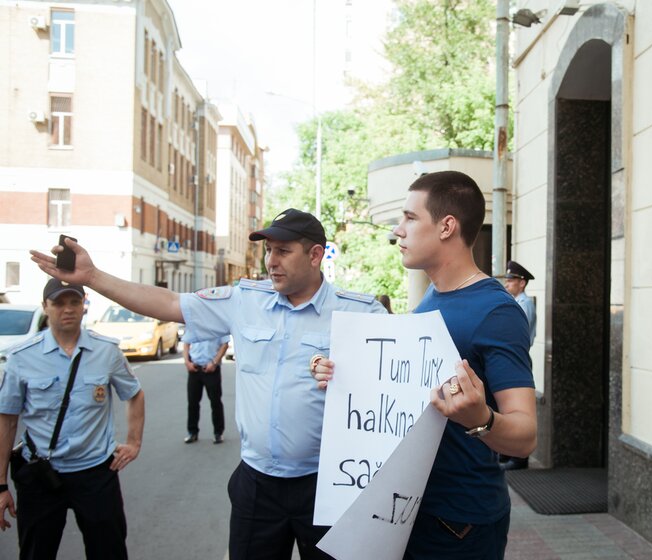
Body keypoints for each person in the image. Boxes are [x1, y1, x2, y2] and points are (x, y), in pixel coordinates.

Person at [30, 209, 388, 560]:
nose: (271, 262)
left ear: (315, 255)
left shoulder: (360, 313)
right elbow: (169, 302)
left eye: (282, 251)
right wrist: (91, 277)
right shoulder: (244, 300)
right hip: (257, 485)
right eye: (268, 250)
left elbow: (398, 381)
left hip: (328, 485)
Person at [314, 171, 536, 559]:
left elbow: (525, 435)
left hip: (459, 523)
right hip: (408, 512)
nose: (397, 231)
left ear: (447, 226)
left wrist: (480, 418)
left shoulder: (497, 311)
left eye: (410, 218)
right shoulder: (430, 299)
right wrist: (344, 376)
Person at [0, 278, 145, 559]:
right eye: (59, 302)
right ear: (46, 307)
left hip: (96, 473)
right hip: (41, 474)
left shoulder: (107, 351)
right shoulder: (22, 357)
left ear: (84, 305)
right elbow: (6, 421)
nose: (68, 309)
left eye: (74, 301)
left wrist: (133, 442)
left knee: (110, 552)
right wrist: (1, 485)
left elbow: (135, 394)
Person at [498, 260, 537, 470]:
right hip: (517, 358)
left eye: (511, 280)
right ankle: (508, 455)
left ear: (522, 283)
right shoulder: (517, 302)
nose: (507, 284)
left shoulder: (523, 304)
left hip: (518, 358)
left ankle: (518, 459)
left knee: (518, 410)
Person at [182, 335, 229, 444]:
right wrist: (187, 362)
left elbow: (225, 344)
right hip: (194, 368)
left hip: (211, 368)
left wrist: (214, 362)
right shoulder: (193, 322)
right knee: (192, 402)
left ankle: (218, 433)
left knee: (215, 401)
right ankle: (192, 432)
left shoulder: (218, 323)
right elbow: (186, 343)